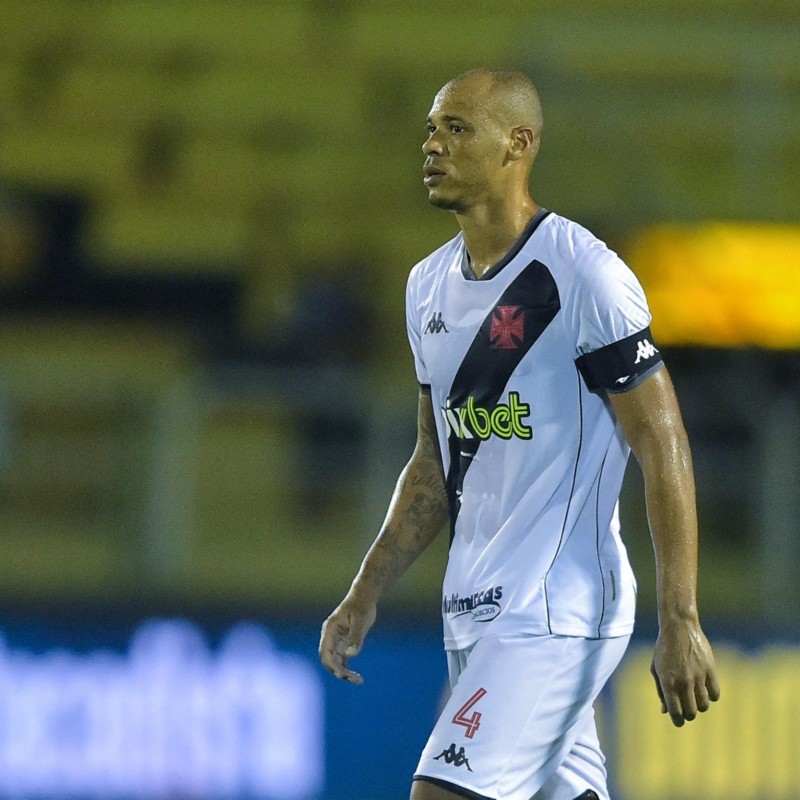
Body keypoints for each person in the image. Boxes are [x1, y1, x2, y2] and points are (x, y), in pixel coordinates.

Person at [319, 68, 720, 800]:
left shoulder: (584, 276)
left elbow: (662, 443)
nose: (432, 144)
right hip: (473, 610)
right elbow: (434, 464)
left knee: (441, 793)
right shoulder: (426, 287)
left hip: (556, 611)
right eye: (432, 128)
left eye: (456, 128)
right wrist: (365, 589)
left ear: (518, 145)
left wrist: (681, 616)